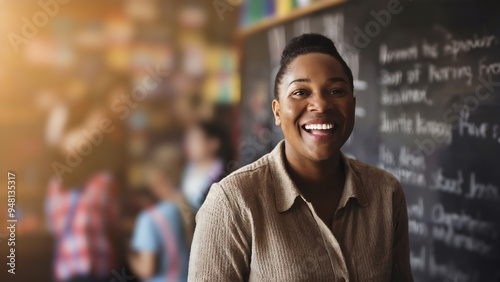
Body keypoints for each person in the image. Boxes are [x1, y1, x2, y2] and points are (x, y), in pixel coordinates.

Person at [188, 33, 413, 281]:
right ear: (277, 111)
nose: (320, 104)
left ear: (352, 103)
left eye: (336, 90)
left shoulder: (386, 193)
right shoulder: (232, 203)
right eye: (300, 92)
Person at [129, 145, 191, 282]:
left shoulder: (149, 218)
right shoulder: (190, 208)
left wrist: (129, 255)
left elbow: (147, 270)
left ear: (158, 177)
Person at [181, 121, 230, 212]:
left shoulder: (221, 176)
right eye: (188, 141)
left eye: (195, 141)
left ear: (214, 144)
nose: (189, 146)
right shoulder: (190, 167)